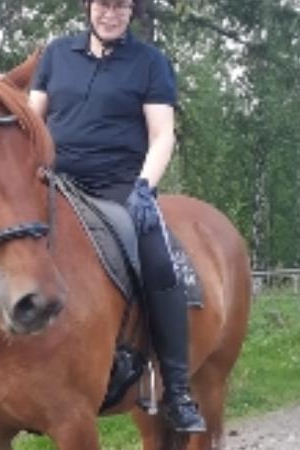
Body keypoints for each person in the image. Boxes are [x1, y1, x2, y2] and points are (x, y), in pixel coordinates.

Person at [27, 0, 206, 433]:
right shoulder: (56, 55)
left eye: (121, 5)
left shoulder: (150, 63)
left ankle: (177, 389)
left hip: (120, 185)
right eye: (103, 4)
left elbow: (162, 135)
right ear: (88, 7)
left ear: (132, 11)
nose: (111, 13)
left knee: (158, 259)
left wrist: (144, 187)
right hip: (55, 181)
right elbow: (32, 122)